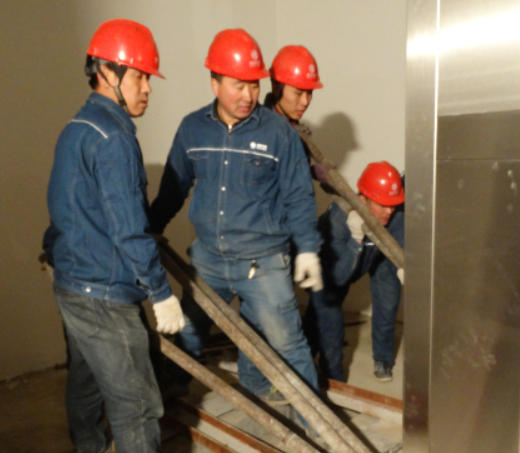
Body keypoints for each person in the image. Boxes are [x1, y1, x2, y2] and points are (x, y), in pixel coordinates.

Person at [149, 29, 323, 409]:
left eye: (254, 85)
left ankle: (315, 426)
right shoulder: (192, 128)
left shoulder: (280, 134)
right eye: (238, 85)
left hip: (264, 263)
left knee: (289, 344)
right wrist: (149, 232)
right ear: (214, 83)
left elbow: (298, 197)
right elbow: (172, 190)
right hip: (208, 260)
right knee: (187, 334)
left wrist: (308, 248)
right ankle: (166, 402)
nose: (248, 96)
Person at [42, 19, 184, 453]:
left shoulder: (76, 127)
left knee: (86, 371)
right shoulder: (115, 138)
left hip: (71, 281)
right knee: (137, 406)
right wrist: (160, 293)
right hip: (104, 292)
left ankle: (89, 445)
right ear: (107, 72)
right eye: (139, 76)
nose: (148, 88)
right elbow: (128, 230)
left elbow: (65, 204)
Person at [304, 161, 404, 382]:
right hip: (331, 269)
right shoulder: (338, 220)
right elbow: (340, 276)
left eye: (393, 205)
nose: (389, 211)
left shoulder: (394, 213)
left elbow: (401, 243)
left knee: (389, 301)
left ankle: (383, 360)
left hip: (377, 256)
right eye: (383, 205)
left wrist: (405, 266)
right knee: (329, 326)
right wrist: (356, 239)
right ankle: (331, 378)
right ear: (363, 199)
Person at [264, 45, 334, 190]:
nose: (305, 102)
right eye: (298, 93)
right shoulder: (259, 131)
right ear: (276, 87)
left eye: (309, 93)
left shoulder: (297, 129)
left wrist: (312, 172)